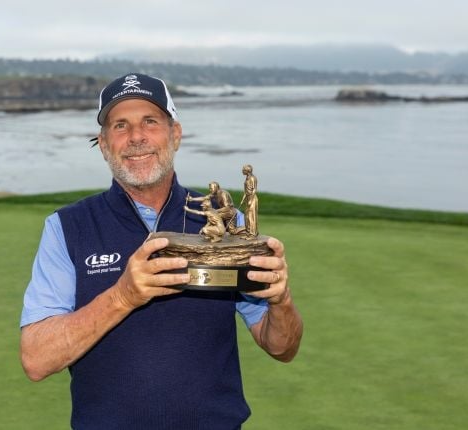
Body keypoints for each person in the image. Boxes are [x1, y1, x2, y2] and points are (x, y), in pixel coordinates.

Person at [20, 73, 303, 429]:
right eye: (120, 125)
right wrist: (122, 297)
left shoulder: (224, 226)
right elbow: (36, 359)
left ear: (176, 135)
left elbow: (281, 346)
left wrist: (282, 301)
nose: (136, 137)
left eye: (150, 122)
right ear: (104, 144)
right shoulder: (67, 228)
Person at [240, 164, 259, 239]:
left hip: (252, 198)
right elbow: (246, 191)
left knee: (251, 217)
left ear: (247, 171)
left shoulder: (252, 178)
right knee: (247, 217)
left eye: (243, 170)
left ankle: (253, 234)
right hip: (248, 198)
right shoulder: (247, 178)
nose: (242, 171)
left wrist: (251, 200)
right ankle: (248, 233)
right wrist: (243, 199)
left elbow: (254, 189)